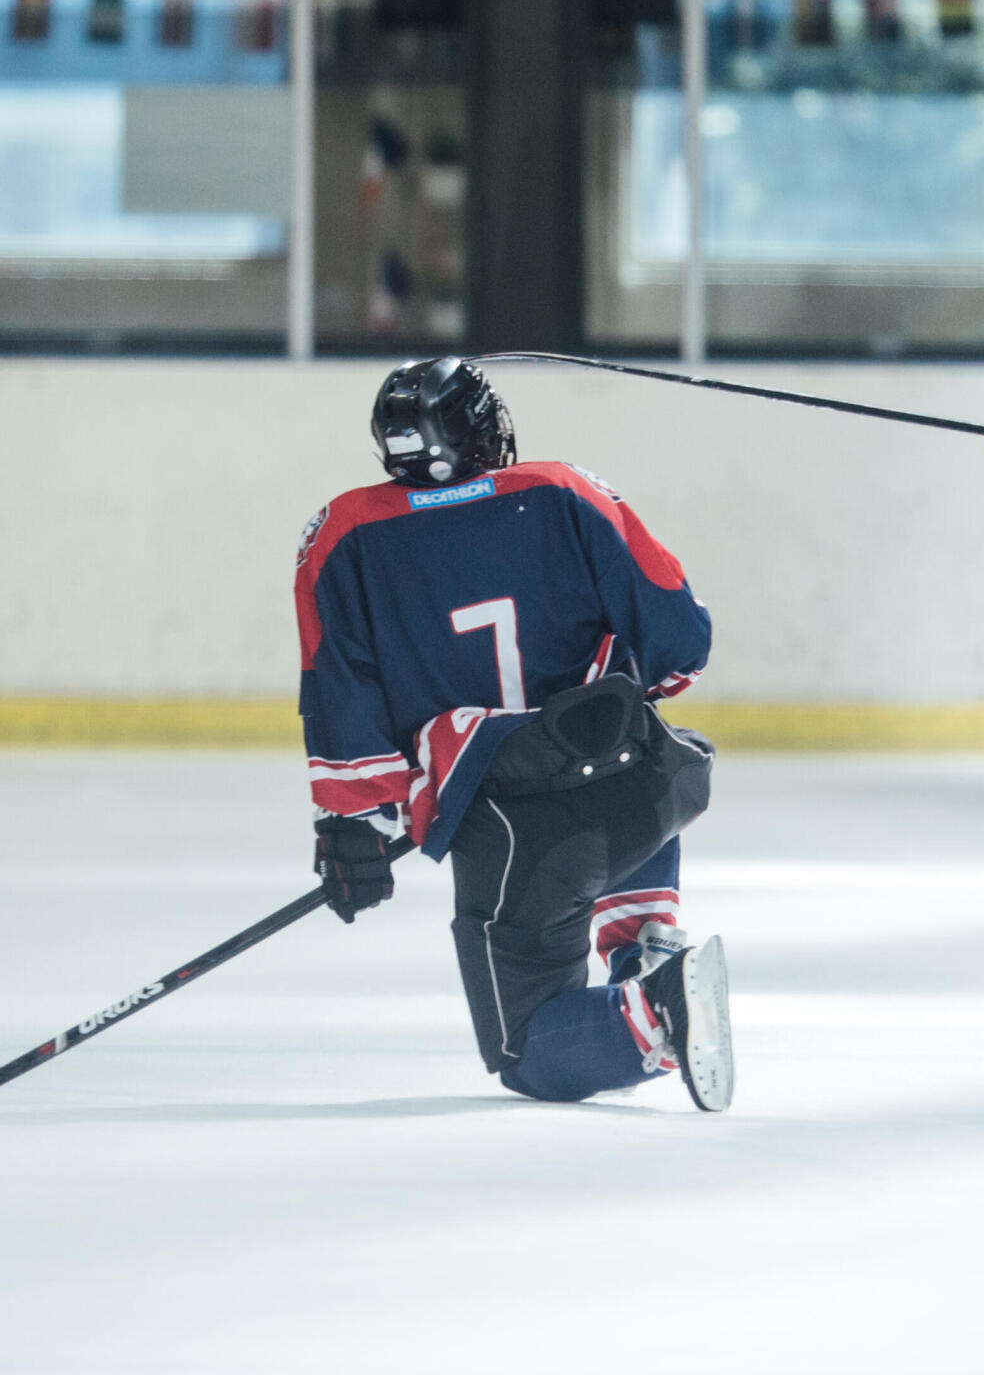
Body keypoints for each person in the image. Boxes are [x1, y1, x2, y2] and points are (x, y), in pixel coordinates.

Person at [293, 355, 732, 1110]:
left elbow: (341, 689)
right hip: (644, 786)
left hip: (510, 823)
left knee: (528, 1048)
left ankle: (654, 1014)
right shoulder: (562, 490)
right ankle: (645, 937)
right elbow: (678, 638)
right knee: (629, 735)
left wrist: (352, 823)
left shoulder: (344, 534)